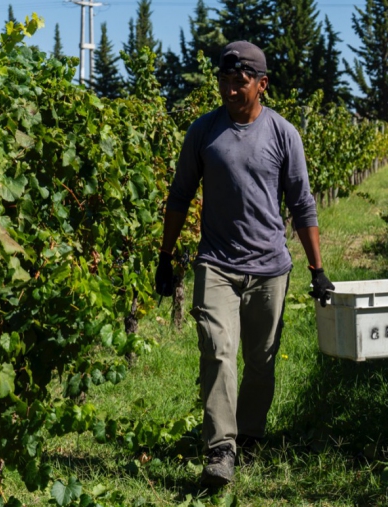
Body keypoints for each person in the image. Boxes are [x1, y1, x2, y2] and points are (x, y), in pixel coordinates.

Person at [155, 40, 334, 486]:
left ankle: (249, 435)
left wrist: (317, 268)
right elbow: (179, 195)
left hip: (270, 267)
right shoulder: (203, 132)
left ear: (261, 84)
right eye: (224, 81)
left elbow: (302, 203)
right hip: (215, 262)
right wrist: (165, 255)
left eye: (240, 82)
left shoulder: (282, 134)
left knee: (261, 361)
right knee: (218, 352)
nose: (230, 90)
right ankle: (220, 449)